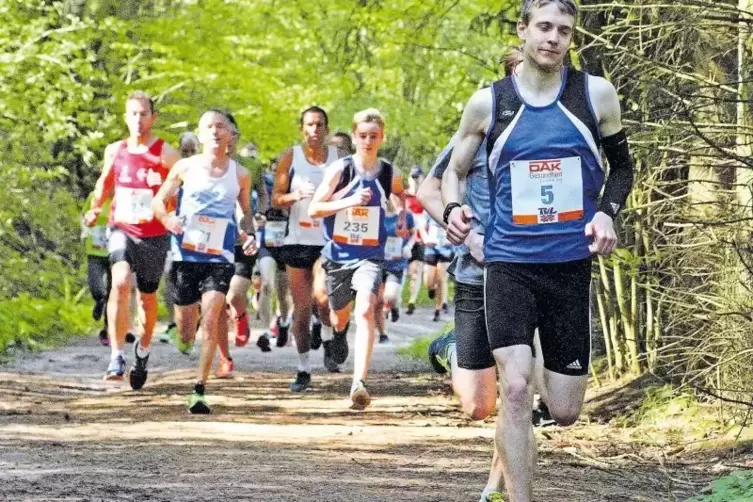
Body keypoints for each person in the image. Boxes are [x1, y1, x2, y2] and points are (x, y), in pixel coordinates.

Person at [442, 1, 634, 500]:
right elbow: (452, 172)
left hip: (569, 266)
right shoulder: (489, 103)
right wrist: (453, 211)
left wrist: (606, 211)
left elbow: (623, 168)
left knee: (566, 410)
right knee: (515, 387)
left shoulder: (595, 95)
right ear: (524, 31)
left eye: (564, 31)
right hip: (508, 263)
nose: (553, 38)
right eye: (544, 27)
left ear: (573, 38)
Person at [152, 108, 256, 414]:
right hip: (185, 255)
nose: (214, 131)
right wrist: (168, 219)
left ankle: (199, 388)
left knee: (212, 316)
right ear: (200, 134)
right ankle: (184, 336)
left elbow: (246, 213)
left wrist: (249, 235)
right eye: (208, 126)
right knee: (186, 332)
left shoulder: (240, 174)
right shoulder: (185, 167)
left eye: (220, 126)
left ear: (230, 135)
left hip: (219, 257)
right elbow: (159, 201)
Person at [309, 108, 406, 409]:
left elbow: (400, 197)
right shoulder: (341, 170)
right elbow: (315, 209)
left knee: (366, 309)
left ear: (382, 138)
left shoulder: (389, 172)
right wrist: (350, 200)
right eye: (362, 136)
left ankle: (358, 383)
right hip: (338, 255)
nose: (368, 141)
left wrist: (398, 212)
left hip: (370, 256)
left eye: (373, 136)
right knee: (340, 314)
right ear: (354, 137)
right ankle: (338, 333)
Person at [84, 91, 180, 387]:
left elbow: (180, 192)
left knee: (148, 299)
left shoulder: (167, 154)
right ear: (125, 117)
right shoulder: (116, 150)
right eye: (133, 114)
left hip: (154, 235)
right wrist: (95, 209)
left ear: (153, 117)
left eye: (143, 114)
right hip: (121, 228)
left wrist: (168, 203)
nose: (138, 120)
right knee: (121, 282)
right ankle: (116, 355)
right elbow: (104, 183)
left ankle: (144, 348)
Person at [272, 106, 346, 391]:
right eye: (309, 125)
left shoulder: (340, 159)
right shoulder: (291, 157)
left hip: (328, 240)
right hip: (297, 240)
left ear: (327, 128)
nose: (314, 130)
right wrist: (294, 195)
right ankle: (303, 368)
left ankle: (329, 334)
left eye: (319, 125)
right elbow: (276, 198)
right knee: (302, 310)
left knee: (323, 297)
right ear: (302, 129)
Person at [159, 131, 201, 344]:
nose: (188, 154)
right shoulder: (173, 172)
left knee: (196, 279)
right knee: (170, 277)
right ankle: (173, 323)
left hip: (199, 234)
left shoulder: (207, 172)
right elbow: (159, 199)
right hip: (172, 233)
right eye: (185, 150)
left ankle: (193, 320)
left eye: (192, 150)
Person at [255, 160, 292, 349]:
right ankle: (266, 331)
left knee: (284, 293)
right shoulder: (265, 187)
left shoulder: (295, 187)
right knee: (267, 284)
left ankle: (284, 322)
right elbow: (255, 206)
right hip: (267, 241)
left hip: (287, 242)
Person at [375, 194, 416, 343]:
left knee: (390, 296)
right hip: (377, 262)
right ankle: (383, 334)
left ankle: (394, 307)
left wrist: (409, 246)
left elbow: (413, 233)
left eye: (390, 196)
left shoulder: (406, 216)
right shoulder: (375, 215)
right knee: (377, 302)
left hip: (396, 264)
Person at [82, 193, 113, 346]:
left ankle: (108, 330)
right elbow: (84, 217)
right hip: (95, 249)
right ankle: (99, 300)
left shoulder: (123, 196)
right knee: (96, 286)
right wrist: (85, 228)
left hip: (115, 250)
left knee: (113, 292)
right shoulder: (95, 196)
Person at [404, 165, 427, 315]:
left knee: (416, 271)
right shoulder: (403, 196)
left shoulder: (426, 196)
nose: (415, 180)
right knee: (401, 270)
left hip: (420, 239)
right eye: (413, 177)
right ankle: (391, 302)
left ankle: (412, 300)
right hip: (403, 239)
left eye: (417, 177)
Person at [422, 216, 453, 322]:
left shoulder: (452, 207)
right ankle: (432, 289)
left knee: (441, 279)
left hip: (446, 249)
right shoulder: (429, 208)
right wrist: (426, 239)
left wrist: (453, 239)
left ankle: (438, 309)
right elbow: (421, 226)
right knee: (428, 282)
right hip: (431, 248)